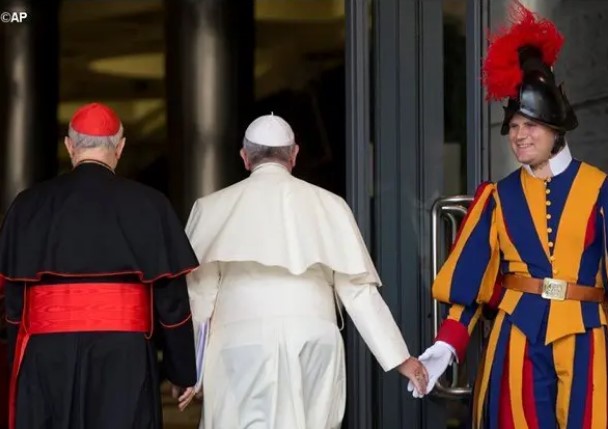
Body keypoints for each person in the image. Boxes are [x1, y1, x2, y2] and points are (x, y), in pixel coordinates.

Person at [414, 2, 608, 428]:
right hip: (515, 336)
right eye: (512, 127)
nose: (519, 135)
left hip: (587, 336)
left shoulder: (605, 190)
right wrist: (448, 343)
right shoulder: (495, 198)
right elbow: (471, 286)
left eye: (530, 125)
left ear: (556, 128)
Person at [183, 113, 428, 428]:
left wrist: (191, 370)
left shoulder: (211, 207)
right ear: (294, 155)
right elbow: (357, 292)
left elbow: (199, 296)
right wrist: (401, 358)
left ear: (244, 157)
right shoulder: (330, 204)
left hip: (237, 343)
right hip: (312, 338)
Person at [0, 103, 199, 429]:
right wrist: (181, 372)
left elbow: (13, 304)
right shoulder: (150, 204)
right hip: (124, 353)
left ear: (69, 146)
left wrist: (17, 365)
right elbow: (172, 302)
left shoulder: (28, 204)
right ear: (120, 148)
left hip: (48, 354)